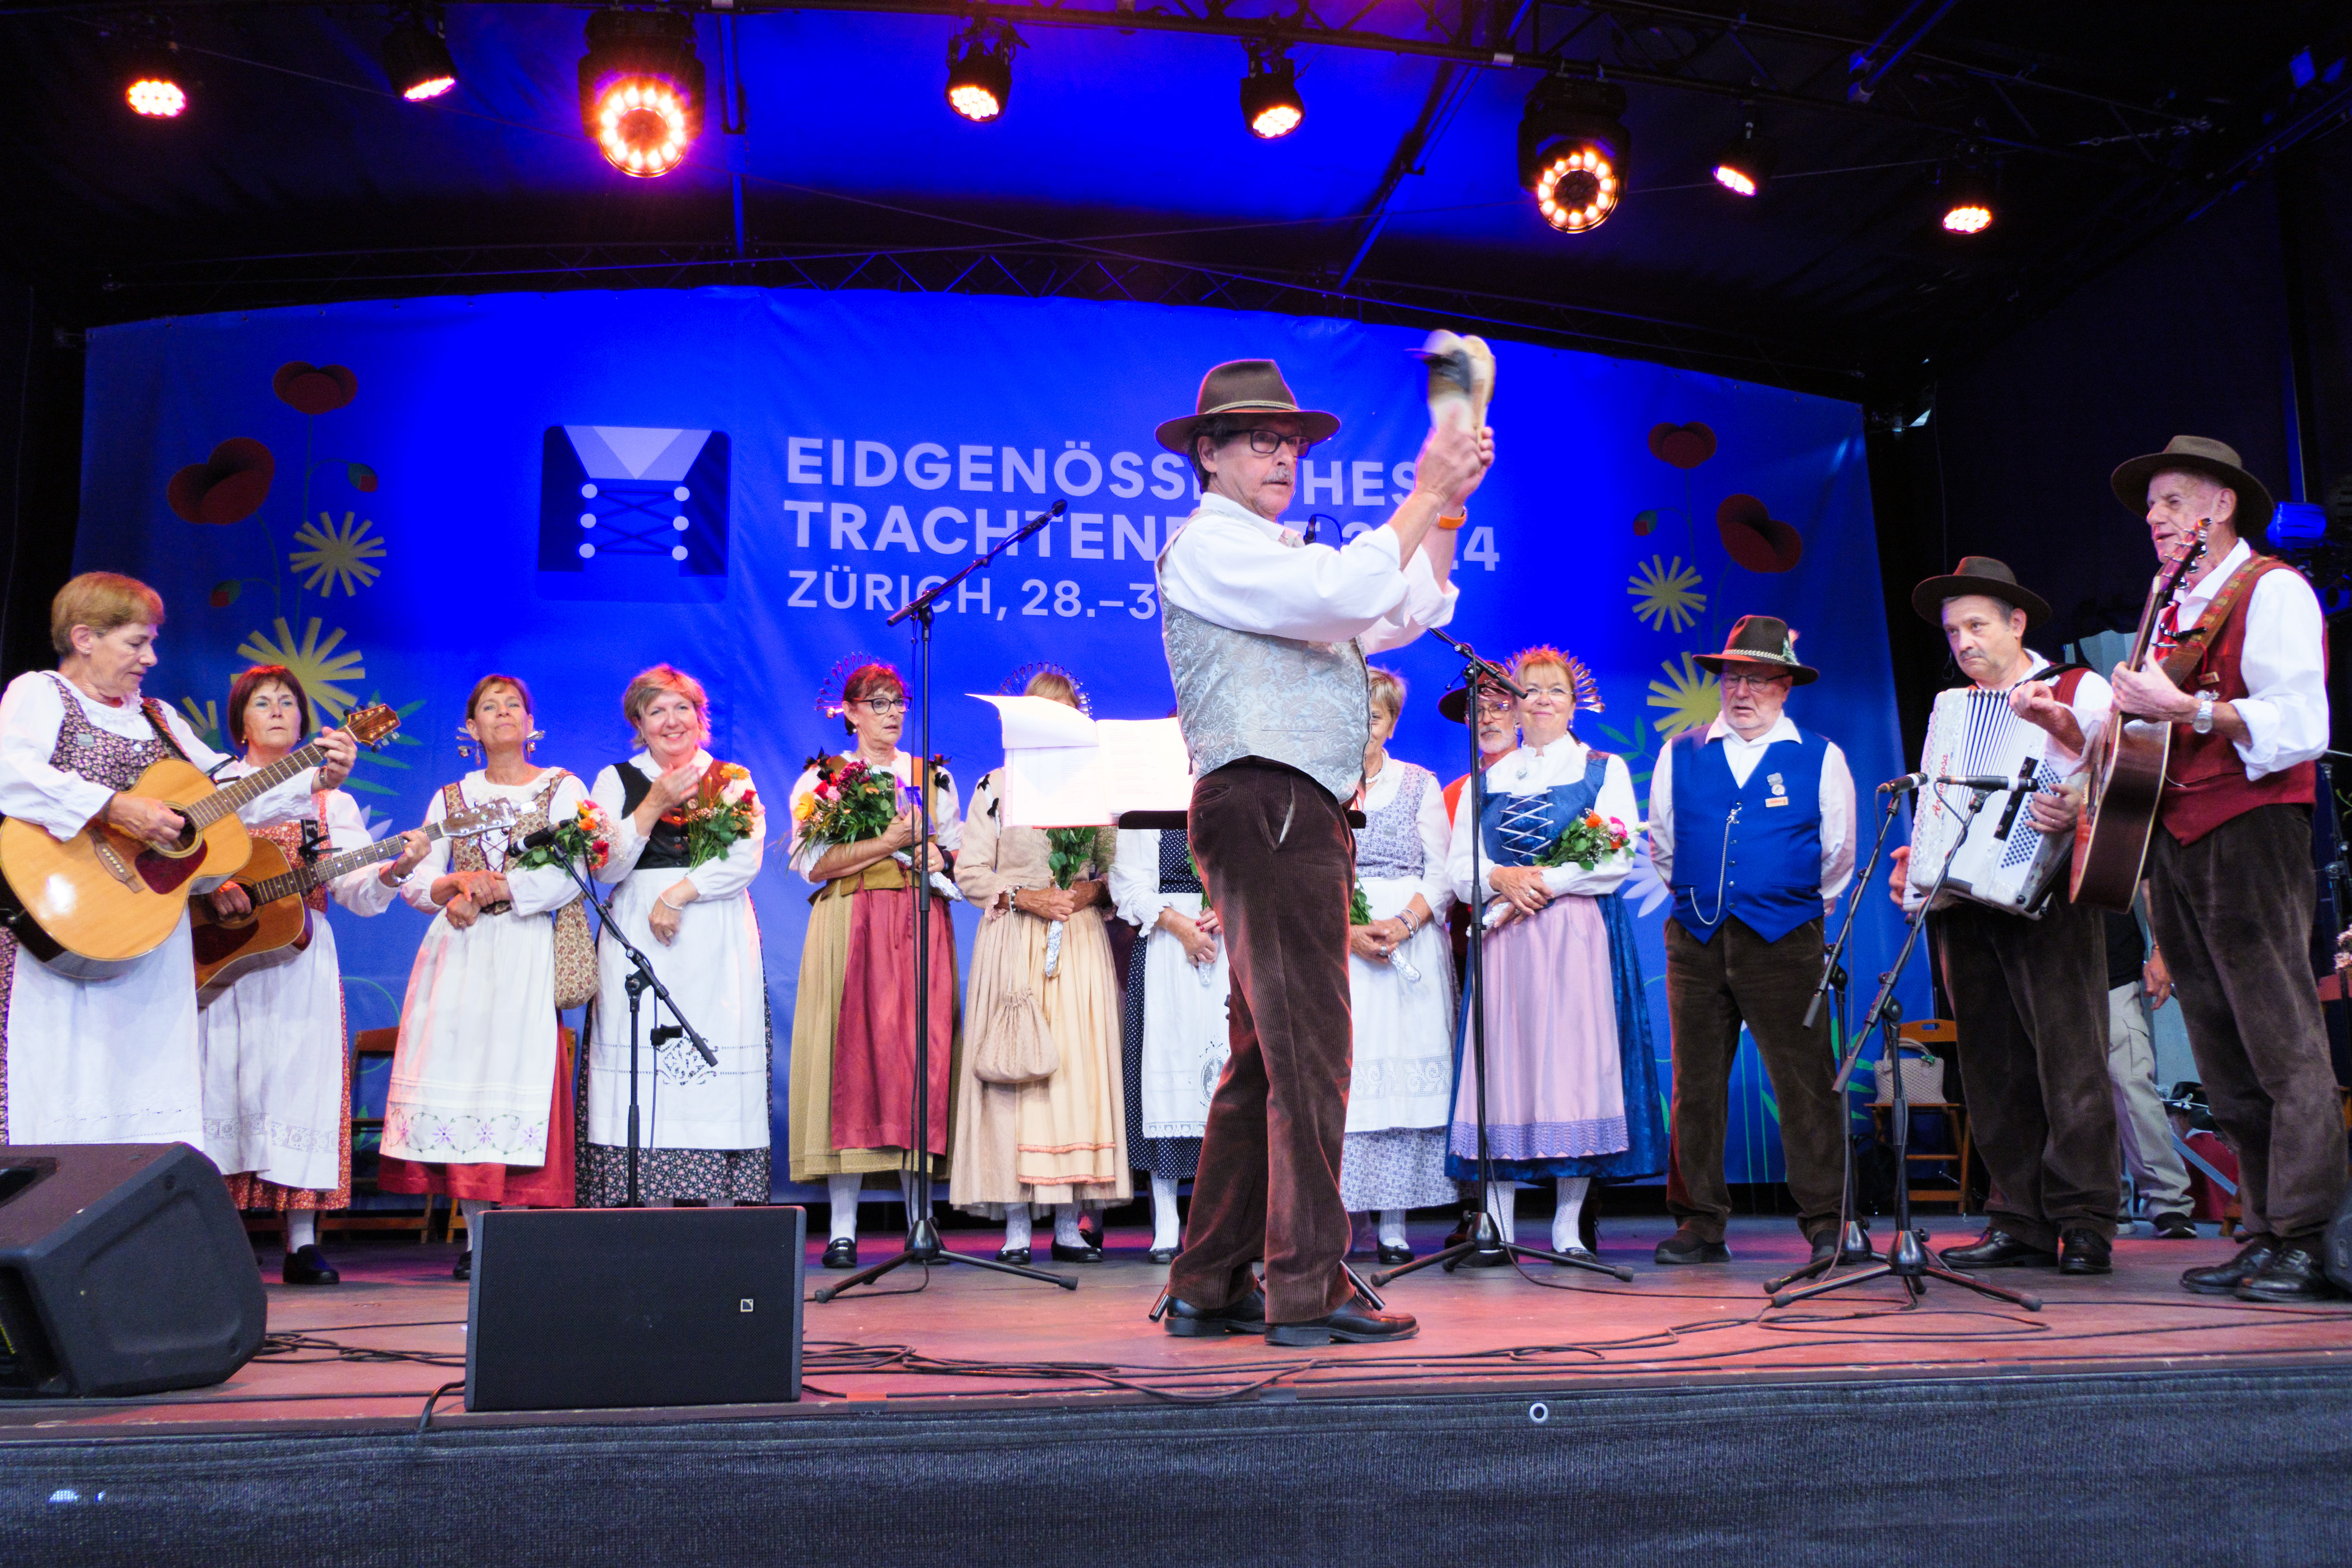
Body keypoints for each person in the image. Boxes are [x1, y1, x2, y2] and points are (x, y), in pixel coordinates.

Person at [1154, 357, 1488, 1347]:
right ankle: (1306, 1285)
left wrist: (1448, 510)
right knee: (1312, 1053)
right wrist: (1423, 489)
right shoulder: (1213, 546)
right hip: (1271, 805)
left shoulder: (1273, 558)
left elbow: (1407, 610)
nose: (1282, 457)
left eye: (1290, 443)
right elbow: (1352, 597)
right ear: (1206, 456)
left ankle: (1209, 1278)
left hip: (1287, 811)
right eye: (1259, 440)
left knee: (1268, 1058)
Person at [0, 573, 356, 1149]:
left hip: (150, 932)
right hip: (64, 914)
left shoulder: (159, 716)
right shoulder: (40, 694)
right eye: (137, 642)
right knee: (63, 1075)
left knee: (144, 1081)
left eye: (153, 641)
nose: (151, 657)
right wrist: (114, 807)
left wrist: (315, 775)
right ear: (85, 637)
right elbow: (9, 773)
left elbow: (229, 792)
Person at [2105, 436, 2341, 1300]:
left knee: (2280, 1039)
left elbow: (2301, 722)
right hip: (2175, 834)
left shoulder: (2271, 587)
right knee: (2222, 1046)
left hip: (2250, 825)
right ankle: (2267, 1227)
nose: (2156, 519)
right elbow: (2145, 740)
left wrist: (2190, 707)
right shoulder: (2168, 607)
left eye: (2172, 501)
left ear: (2221, 507)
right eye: (2151, 508)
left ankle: (2314, 1235)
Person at [1888, 558, 2121, 1275]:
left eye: (1977, 625)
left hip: (2046, 896)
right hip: (1962, 902)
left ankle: (2084, 1217)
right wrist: (1918, 863)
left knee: (2069, 1060)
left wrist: (2081, 800)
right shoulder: (1952, 708)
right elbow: (1939, 800)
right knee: (1990, 1065)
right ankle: (2018, 1215)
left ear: (2018, 623)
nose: (1962, 641)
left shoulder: (2081, 688)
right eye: (1954, 630)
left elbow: (2122, 778)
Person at [198, 665, 430, 1284]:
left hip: (298, 957)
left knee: (297, 1083)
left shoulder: (333, 800)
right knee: (218, 1079)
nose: (277, 711)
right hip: (215, 956)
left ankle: (301, 1242)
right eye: (262, 702)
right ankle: (218, 1235)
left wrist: (392, 869)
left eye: (288, 703)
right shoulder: (214, 784)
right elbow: (184, 856)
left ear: (305, 721)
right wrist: (212, 884)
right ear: (240, 720)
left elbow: (353, 890)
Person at [1647, 615, 1856, 1270]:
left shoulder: (1820, 756)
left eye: (1760, 680)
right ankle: (1700, 1223)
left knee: (1806, 1083)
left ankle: (1829, 1222)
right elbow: (1663, 843)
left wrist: (1781, 903)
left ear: (1785, 686)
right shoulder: (1681, 751)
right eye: (1734, 677)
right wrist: (1704, 902)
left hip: (1786, 940)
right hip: (1696, 940)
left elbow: (1838, 855)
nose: (1743, 691)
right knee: (1696, 1086)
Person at [1445, 646, 1664, 1261]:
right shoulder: (1487, 778)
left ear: (1575, 703)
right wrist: (1498, 880)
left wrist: (1540, 882)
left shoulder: (1603, 769)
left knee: (1574, 1071)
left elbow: (1616, 856)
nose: (1542, 699)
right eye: (1531, 689)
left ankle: (1569, 1224)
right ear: (1511, 703)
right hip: (1504, 944)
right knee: (1503, 1070)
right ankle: (1497, 1221)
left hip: (1575, 936)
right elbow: (1461, 868)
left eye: (1555, 690)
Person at [379, 674, 589, 1278]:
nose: (503, 714)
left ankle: (516, 1236)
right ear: (470, 728)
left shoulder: (561, 788)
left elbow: (568, 874)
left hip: (523, 944)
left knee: (514, 1075)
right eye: (489, 708)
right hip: (462, 952)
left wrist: (496, 886)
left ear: (531, 722)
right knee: (464, 1077)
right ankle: (475, 1236)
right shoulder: (452, 797)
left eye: (514, 705)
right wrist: (448, 887)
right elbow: (420, 879)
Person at [950, 668, 1129, 1262]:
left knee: (1074, 1076)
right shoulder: (996, 786)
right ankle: (1018, 1223)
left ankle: (1069, 1223)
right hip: (1018, 939)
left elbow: (1115, 874)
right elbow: (970, 870)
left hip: (1075, 943)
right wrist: (1026, 895)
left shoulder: (1094, 786)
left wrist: (1087, 893)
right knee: (1018, 1073)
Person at [786, 661, 961, 1269]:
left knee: (919, 1061)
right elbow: (814, 863)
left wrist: (940, 856)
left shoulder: (931, 777)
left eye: (899, 701)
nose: (892, 712)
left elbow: (956, 854)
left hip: (917, 922)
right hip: (851, 920)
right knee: (851, 1061)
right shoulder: (825, 778)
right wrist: (889, 844)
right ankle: (843, 1227)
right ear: (850, 711)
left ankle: (921, 1219)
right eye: (878, 702)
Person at [579, 665, 771, 1207]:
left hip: (713, 929)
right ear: (638, 722)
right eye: (656, 710)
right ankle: (637, 1198)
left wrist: (678, 894)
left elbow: (743, 859)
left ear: (700, 716)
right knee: (639, 1048)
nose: (671, 720)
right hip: (637, 927)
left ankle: (709, 1202)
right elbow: (607, 868)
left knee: (710, 1045)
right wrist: (654, 804)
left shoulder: (731, 776)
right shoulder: (616, 779)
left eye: (682, 707)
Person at [1338, 669, 1458, 1264]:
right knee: (1348, 1077)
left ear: (1392, 724)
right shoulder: (1319, 787)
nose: (1365, 728)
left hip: (1408, 945)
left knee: (1403, 1078)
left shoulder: (1419, 784)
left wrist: (1406, 924)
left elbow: (1443, 874)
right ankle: (1339, 1223)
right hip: (1343, 948)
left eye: (1376, 718)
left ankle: (1394, 1221)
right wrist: (1348, 931)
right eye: (1354, 715)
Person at [1111, 819, 1226, 1263]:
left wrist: (1233, 907)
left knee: (1228, 1076)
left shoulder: (1228, 787)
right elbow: (1128, 883)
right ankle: (1167, 1220)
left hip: (1230, 937)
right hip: (1164, 940)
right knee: (1167, 1076)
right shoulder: (1146, 805)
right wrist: (1180, 926)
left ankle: (1223, 1221)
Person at [2102, 909, 2196, 1237]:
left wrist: (2161, 952)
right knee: (2074, 1094)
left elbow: (2149, 883)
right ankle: (2104, 1205)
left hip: (2114, 969)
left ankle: (2168, 1202)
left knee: (2132, 1085)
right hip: (2053, 971)